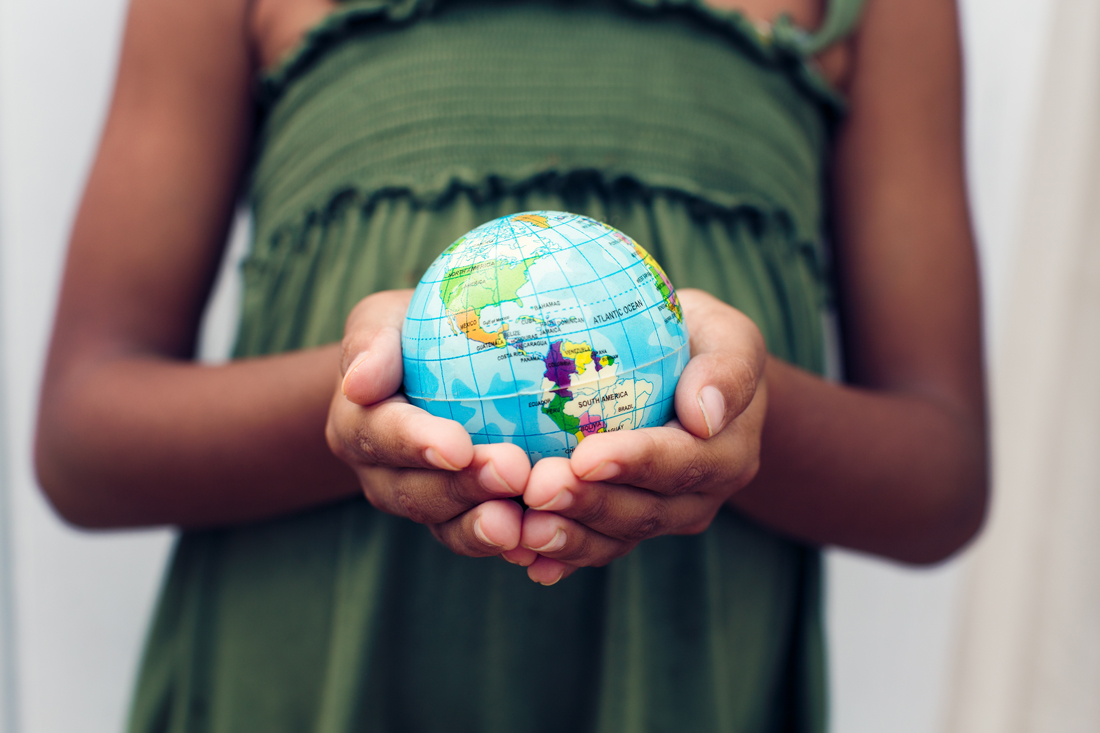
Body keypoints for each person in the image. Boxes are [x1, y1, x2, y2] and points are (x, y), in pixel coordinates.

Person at [35, 0, 987, 729]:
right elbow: (85, 436)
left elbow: (939, 478)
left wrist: (729, 411)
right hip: (296, 682)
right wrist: (378, 392)